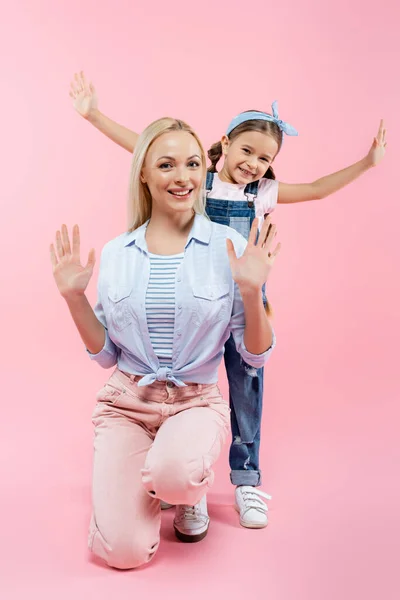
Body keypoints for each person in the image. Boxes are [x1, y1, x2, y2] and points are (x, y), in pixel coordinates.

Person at [68, 72, 387, 530]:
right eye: (247, 151)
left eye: (265, 158)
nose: (254, 164)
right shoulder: (200, 176)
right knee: (184, 379)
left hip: (244, 296)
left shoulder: (263, 194)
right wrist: (94, 114)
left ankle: (245, 480)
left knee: (246, 387)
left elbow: (316, 188)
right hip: (194, 294)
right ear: (223, 144)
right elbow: (146, 145)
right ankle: (182, 478)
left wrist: (367, 163)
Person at [50, 117, 280, 569]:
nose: (183, 177)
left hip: (195, 403)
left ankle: (181, 485)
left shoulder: (229, 245)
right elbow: (106, 355)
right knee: (123, 554)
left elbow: (255, 354)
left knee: (175, 475)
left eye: (193, 164)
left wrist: (252, 293)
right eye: (167, 164)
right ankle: (153, 478)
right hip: (126, 404)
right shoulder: (118, 252)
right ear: (144, 173)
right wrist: (74, 298)